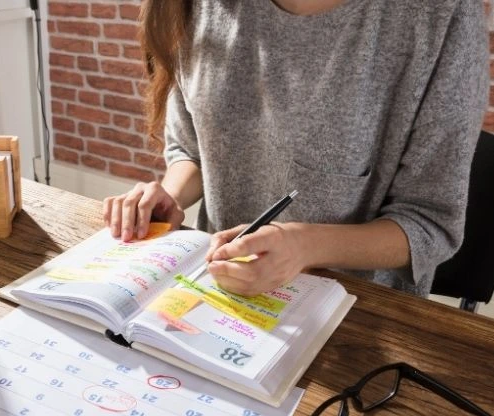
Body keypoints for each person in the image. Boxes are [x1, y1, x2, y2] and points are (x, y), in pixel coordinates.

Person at [102, 0, 489, 296]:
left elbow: (430, 224)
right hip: (216, 295)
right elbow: (192, 149)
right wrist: (169, 196)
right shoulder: (202, 6)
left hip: (353, 319)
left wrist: (303, 247)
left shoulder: (440, 14)